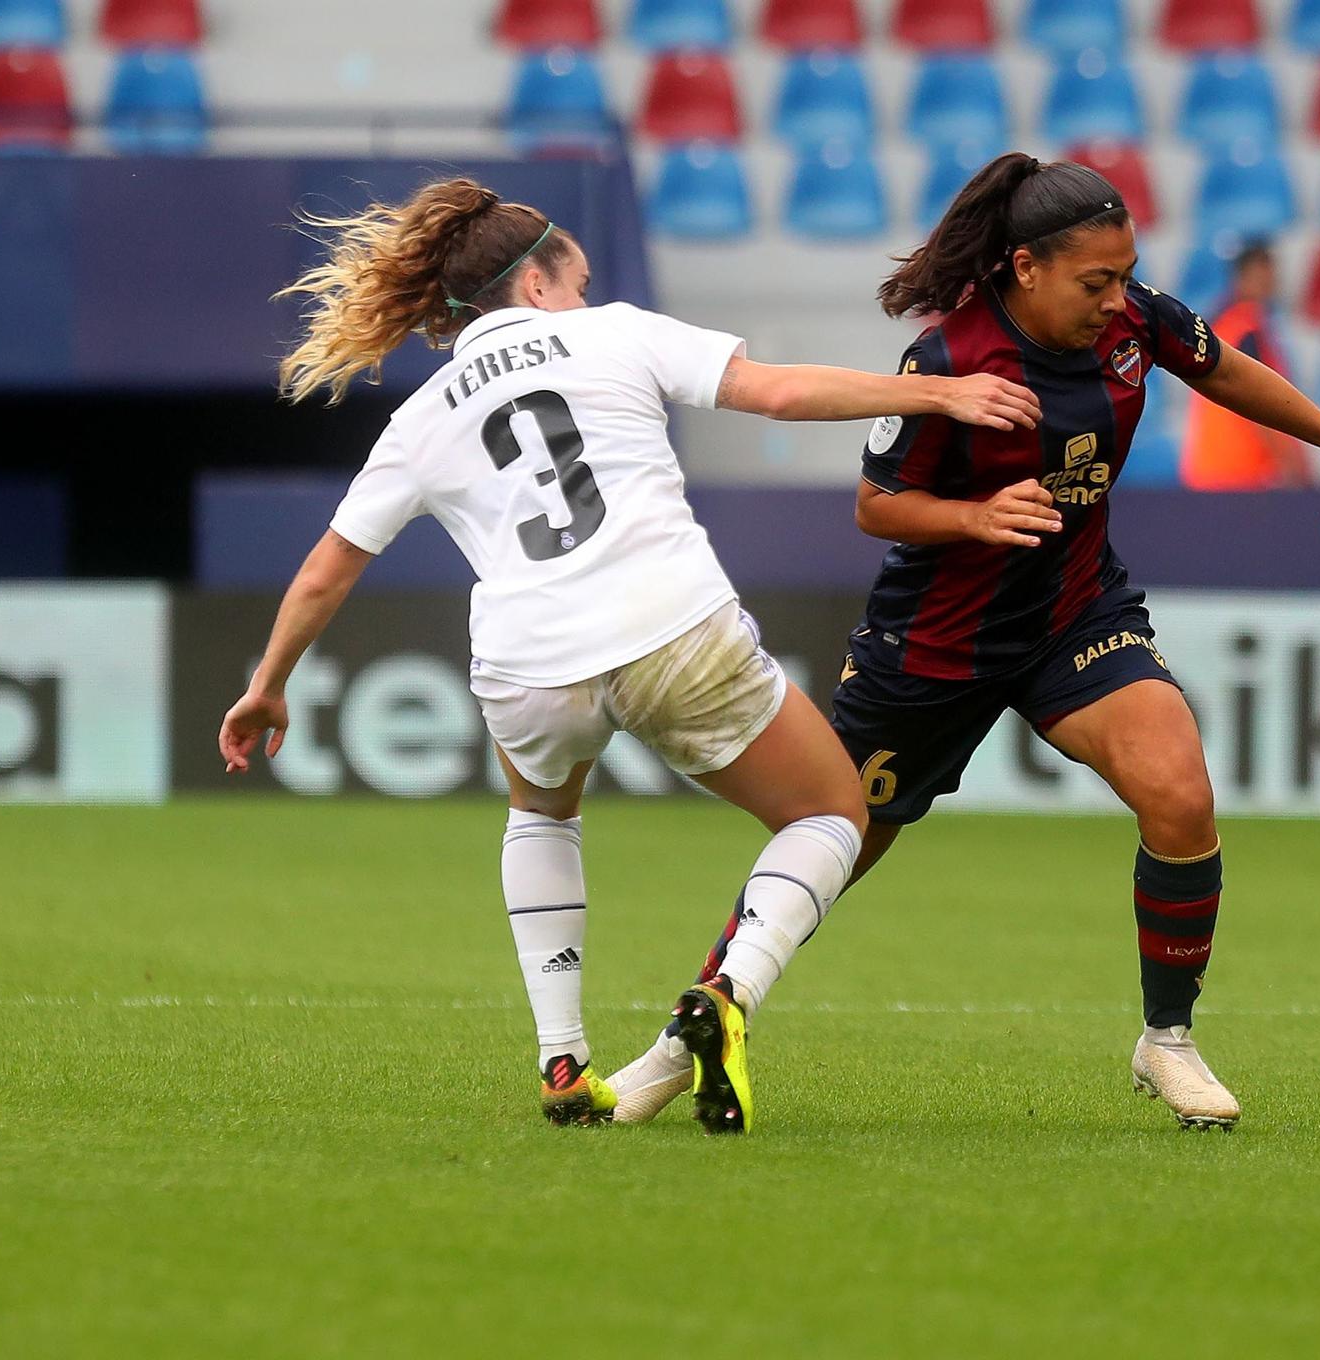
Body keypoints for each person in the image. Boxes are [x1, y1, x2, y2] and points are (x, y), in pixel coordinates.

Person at [215, 177, 1041, 1134]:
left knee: (541, 818)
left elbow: (326, 569)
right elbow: (774, 392)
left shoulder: (424, 414)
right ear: (534, 286)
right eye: (577, 282)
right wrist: (937, 389)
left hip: (527, 667)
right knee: (831, 810)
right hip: (670, 627)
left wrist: (267, 685)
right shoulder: (615, 332)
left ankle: (561, 1059)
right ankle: (727, 994)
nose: (582, 295)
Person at [610, 154, 1320, 1131]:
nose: (1116, 299)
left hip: (1072, 617)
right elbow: (875, 505)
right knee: (832, 842)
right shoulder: (946, 362)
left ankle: (1167, 1040)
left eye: (1124, 274)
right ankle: (687, 1040)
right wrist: (974, 518)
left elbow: (1219, 366)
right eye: (1093, 281)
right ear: (1025, 267)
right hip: (933, 642)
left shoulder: (1134, 318)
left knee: (1179, 793)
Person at [1181, 241, 1310, 490]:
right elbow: (1261, 402)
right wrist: (1293, 465)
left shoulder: (1217, 326)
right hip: (1244, 473)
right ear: (1241, 278)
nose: (1269, 286)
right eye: (1263, 278)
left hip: (1208, 471)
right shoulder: (1246, 329)